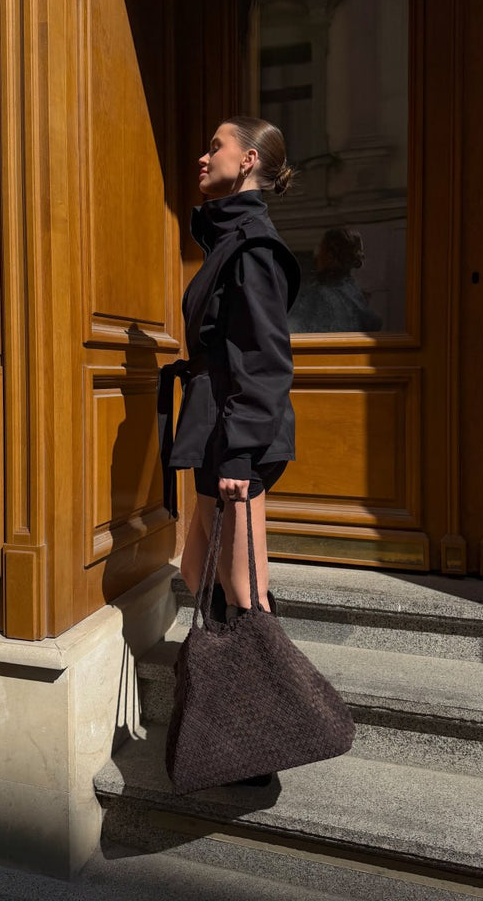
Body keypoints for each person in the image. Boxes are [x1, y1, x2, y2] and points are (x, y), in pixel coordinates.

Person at [158, 116, 300, 622]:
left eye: (214, 146)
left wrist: (239, 458)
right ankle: (226, 688)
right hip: (215, 428)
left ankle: (269, 698)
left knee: (245, 595)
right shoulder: (227, 242)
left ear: (247, 161)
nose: (203, 156)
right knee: (197, 574)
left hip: (236, 435)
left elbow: (265, 361)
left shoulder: (252, 248)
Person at [288, 227, 383, 334]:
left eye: (320, 249)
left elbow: (291, 331)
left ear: (329, 256)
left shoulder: (317, 295)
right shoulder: (354, 294)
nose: (316, 255)